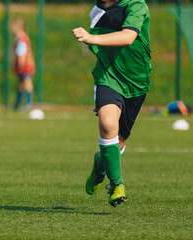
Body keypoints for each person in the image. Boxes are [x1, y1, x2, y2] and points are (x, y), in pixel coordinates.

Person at [72, 0, 150, 207]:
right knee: (107, 125)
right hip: (108, 76)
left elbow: (128, 37)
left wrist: (91, 38)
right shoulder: (97, 11)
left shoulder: (136, 5)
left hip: (137, 81)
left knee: (119, 143)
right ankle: (117, 184)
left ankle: (100, 166)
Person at [10, 18, 36, 110]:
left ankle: (28, 103)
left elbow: (22, 53)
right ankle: (17, 104)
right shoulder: (19, 38)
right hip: (21, 65)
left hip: (24, 66)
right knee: (20, 84)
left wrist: (20, 65)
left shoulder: (22, 39)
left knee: (27, 83)